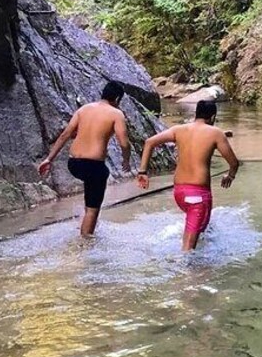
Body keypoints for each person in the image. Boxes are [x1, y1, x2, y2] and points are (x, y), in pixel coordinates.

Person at [137, 100, 239, 251]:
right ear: (212, 117)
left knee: (201, 230)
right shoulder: (215, 133)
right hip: (198, 197)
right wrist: (229, 176)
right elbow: (234, 163)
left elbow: (149, 142)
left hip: (179, 193)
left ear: (196, 113)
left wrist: (143, 172)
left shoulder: (179, 130)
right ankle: (190, 273)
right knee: (188, 250)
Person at [37, 81, 132, 236]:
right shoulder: (116, 114)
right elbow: (124, 143)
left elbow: (64, 135)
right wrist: (126, 160)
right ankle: (85, 242)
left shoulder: (83, 109)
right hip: (94, 166)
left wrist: (49, 159)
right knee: (94, 207)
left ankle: (85, 221)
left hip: (74, 163)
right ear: (117, 99)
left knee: (92, 188)